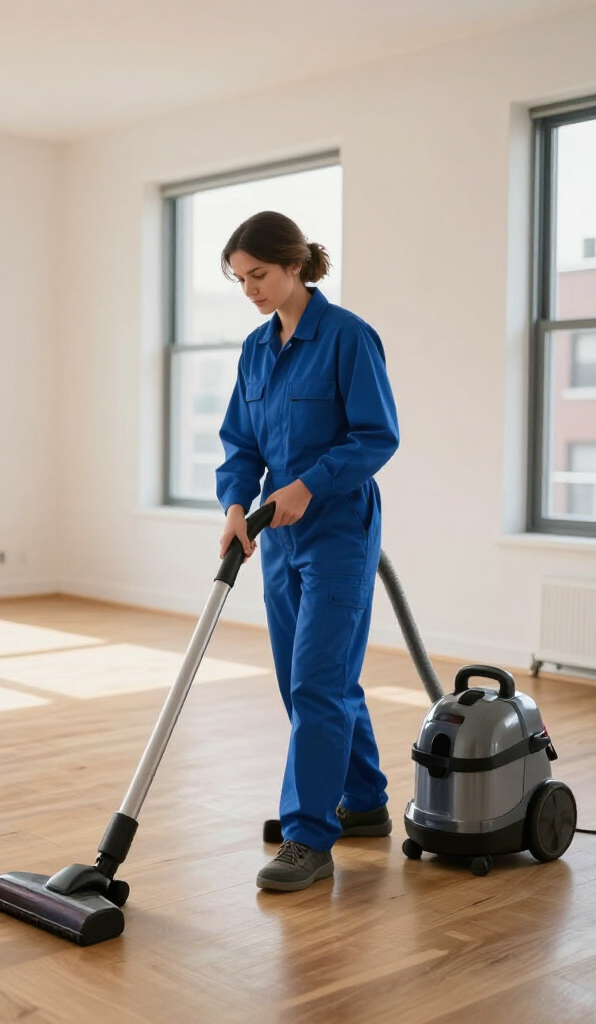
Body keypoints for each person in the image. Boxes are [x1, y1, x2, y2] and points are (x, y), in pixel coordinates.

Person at [215, 210, 400, 892]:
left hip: (339, 529)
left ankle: (308, 838)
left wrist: (309, 486)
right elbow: (241, 443)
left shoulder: (348, 337)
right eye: (239, 280)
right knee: (315, 682)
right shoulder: (256, 351)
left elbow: (377, 437)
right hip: (274, 533)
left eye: (258, 275)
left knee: (316, 681)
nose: (251, 290)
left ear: (295, 264)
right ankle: (363, 803)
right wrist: (236, 503)